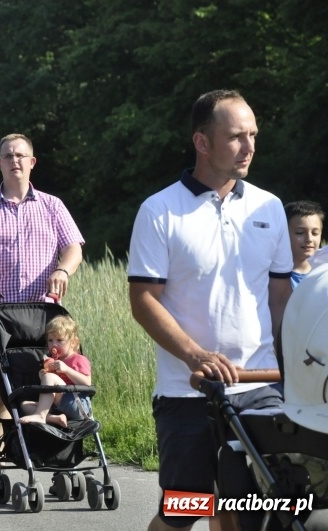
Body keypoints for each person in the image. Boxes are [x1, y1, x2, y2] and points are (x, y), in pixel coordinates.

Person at [127, 89, 292, 531]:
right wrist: (195, 355)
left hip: (259, 388)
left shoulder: (269, 207)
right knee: (186, 510)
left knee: (260, 510)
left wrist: (296, 365)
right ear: (202, 142)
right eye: (236, 136)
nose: (250, 146)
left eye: (253, 134)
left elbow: (280, 300)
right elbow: (143, 300)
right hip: (188, 393)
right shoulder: (160, 211)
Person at [0, 133, 85, 459]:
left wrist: (63, 270)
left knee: (52, 382)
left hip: (43, 314)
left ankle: (50, 451)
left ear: (32, 162)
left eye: (21, 155)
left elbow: (73, 247)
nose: (15, 160)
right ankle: (0, 457)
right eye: (8, 156)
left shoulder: (52, 205)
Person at [18, 315, 92, 427]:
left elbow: (87, 382)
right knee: (25, 405)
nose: (54, 344)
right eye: (50, 340)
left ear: (73, 342)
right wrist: (43, 376)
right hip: (58, 407)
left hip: (77, 405)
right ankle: (54, 418)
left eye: (60, 340)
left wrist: (67, 370)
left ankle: (41, 415)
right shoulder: (53, 361)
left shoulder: (78, 359)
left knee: (50, 378)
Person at [284, 200, 324, 289]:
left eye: (315, 233)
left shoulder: (323, 274)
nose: (309, 239)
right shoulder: (275, 276)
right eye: (300, 232)